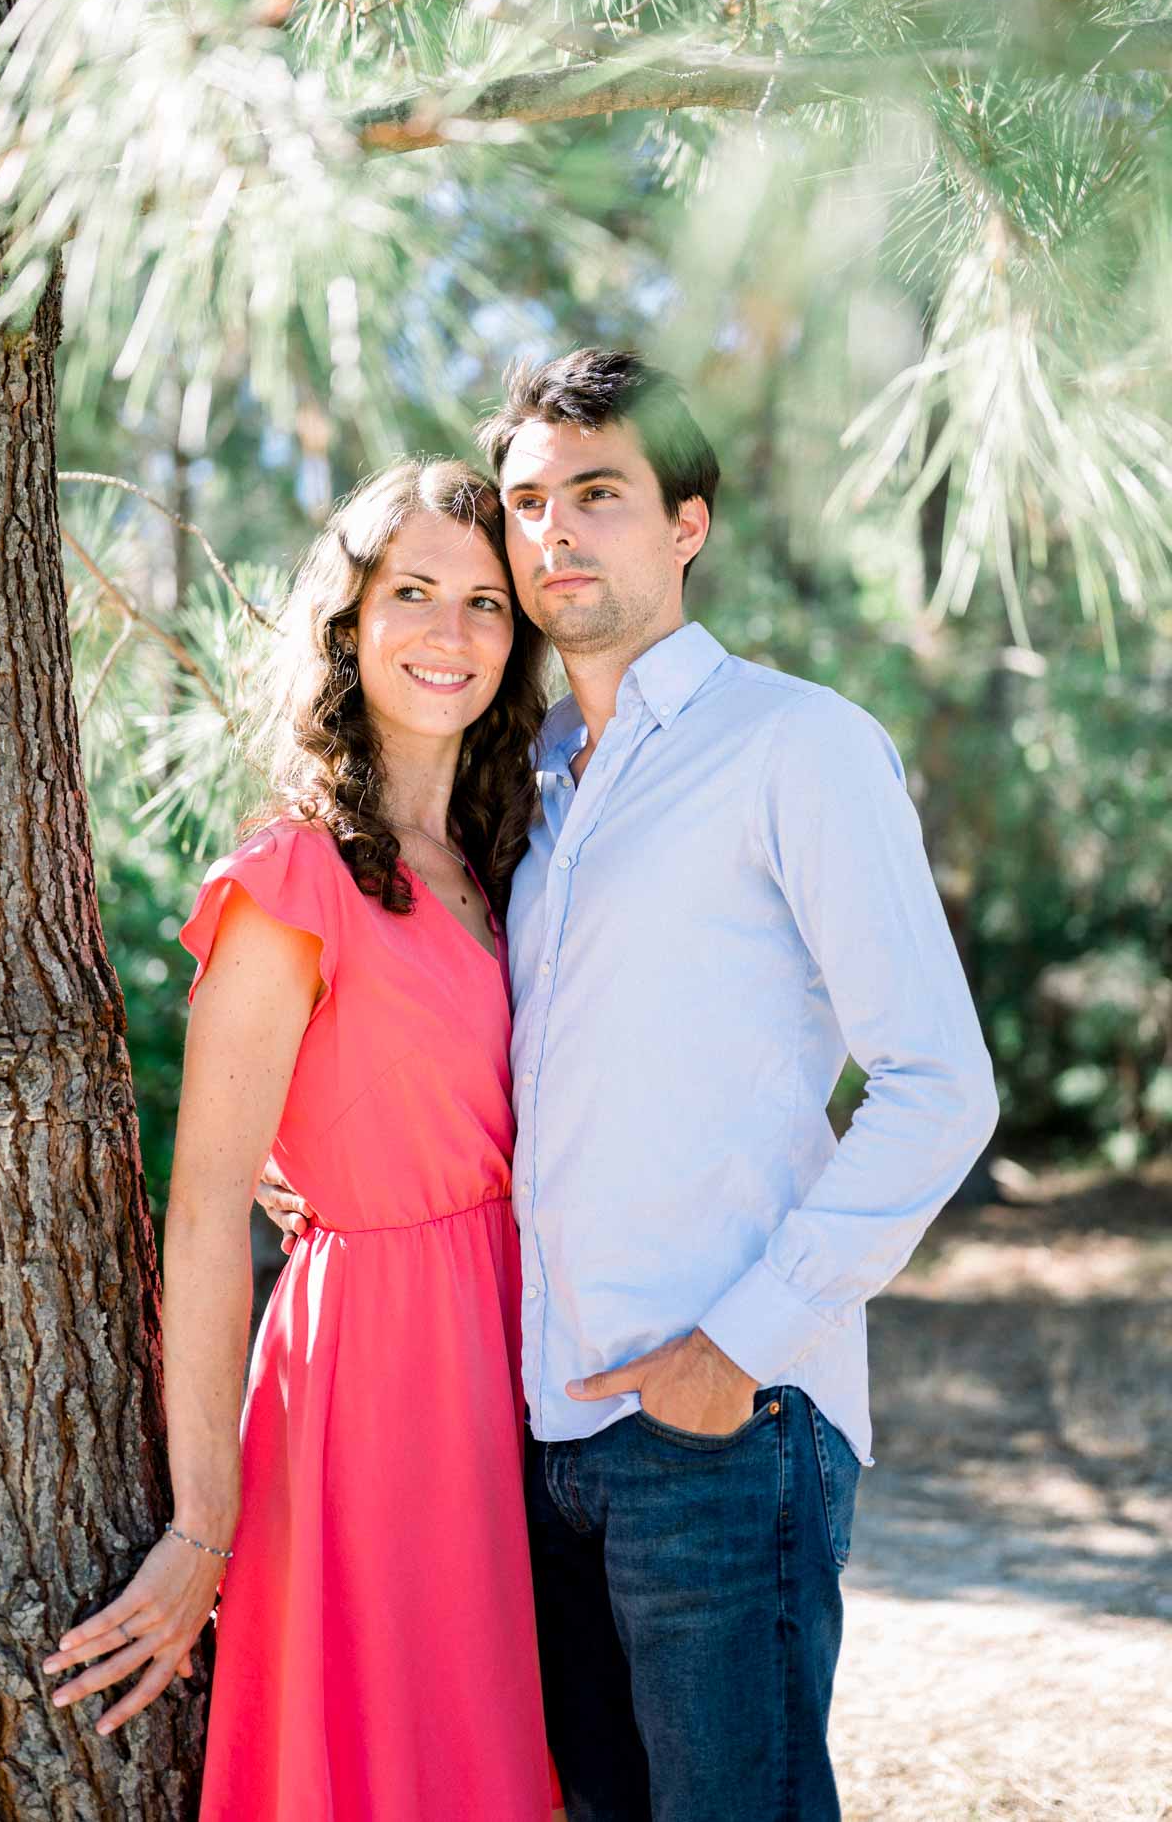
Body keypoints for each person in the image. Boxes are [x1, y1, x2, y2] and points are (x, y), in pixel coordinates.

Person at [471, 348, 1001, 1822]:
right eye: (526, 504)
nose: (554, 534)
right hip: (547, 1437)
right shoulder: (537, 789)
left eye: (599, 495)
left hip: (721, 1425)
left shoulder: (796, 744)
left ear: (687, 522)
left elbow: (938, 1084)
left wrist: (741, 1347)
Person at [41, 459, 557, 1822]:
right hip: (379, 1384)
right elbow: (208, 1205)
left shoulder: (516, 861)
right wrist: (202, 1525)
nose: (450, 634)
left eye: (487, 603)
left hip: (526, 1355)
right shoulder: (290, 880)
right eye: (415, 594)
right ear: (350, 618)